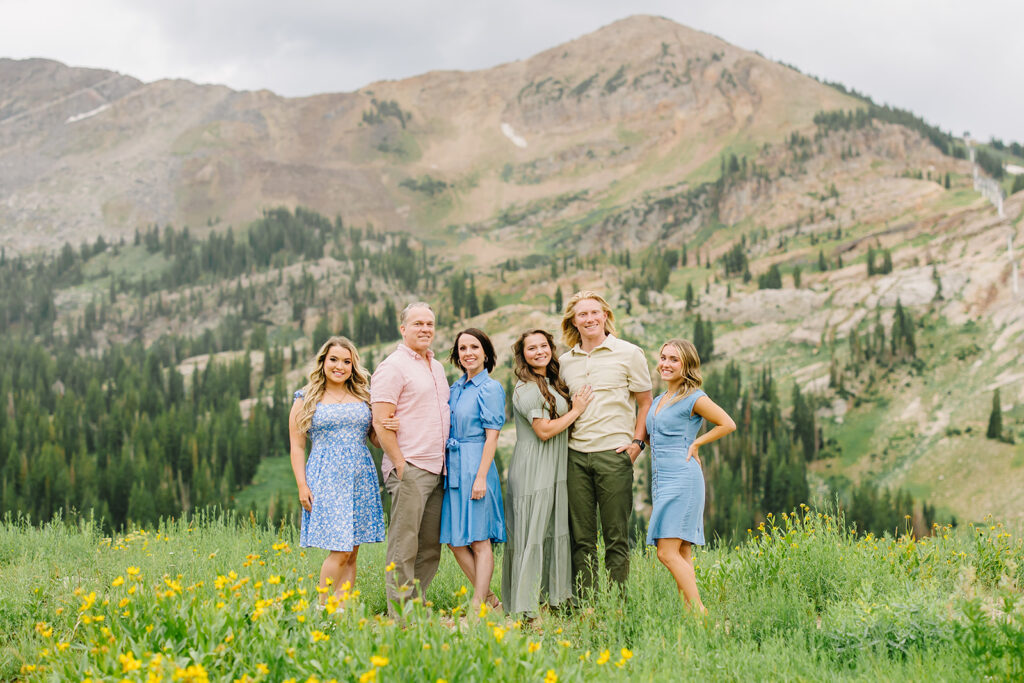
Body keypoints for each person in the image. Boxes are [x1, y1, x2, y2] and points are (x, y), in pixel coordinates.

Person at [558, 290, 652, 597]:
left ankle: (617, 607)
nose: (589, 319)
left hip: (614, 456)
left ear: (605, 316)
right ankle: (586, 604)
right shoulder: (564, 361)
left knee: (616, 537)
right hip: (574, 457)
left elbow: (645, 401)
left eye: (594, 313)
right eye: (582, 314)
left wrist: (638, 443)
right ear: (573, 321)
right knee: (581, 539)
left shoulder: (629, 353)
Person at [288, 336, 389, 602]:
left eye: (347, 361)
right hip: (326, 476)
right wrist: (302, 485)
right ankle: (323, 609)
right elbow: (297, 447)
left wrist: (388, 427)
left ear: (353, 366)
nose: (340, 366)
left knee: (352, 551)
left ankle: (341, 610)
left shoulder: (363, 395)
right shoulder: (305, 397)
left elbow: (376, 440)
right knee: (340, 549)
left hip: (360, 475)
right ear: (323, 362)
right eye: (334, 360)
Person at [502, 329, 593, 619]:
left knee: (552, 532)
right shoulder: (527, 388)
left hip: (553, 467)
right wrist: (577, 410)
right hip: (534, 469)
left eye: (544, 346)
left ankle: (554, 599)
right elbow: (543, 431)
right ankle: (527, 611)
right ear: (523, 355)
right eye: (532, 348)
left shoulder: (550, 382)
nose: (539, 351)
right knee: (534, 535)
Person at [644, 339, 736, 612]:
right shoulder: (660, 400)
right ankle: (692, 616)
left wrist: (696, 443)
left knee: (666, 552)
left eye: (674, 359)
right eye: (663, 357)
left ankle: (700, 613)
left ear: (687, 365)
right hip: (662, 480)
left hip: (683, 479)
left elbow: (727, 423)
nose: (666, 364)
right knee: (682, 551)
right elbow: (656, 438)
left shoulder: (694, 397)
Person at [371, 302, 450, 611]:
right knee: (404, 545)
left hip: (437, 467)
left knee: (429, 546)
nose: (425, 329)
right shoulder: (393, 366)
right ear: (403, 329)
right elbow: (380, 420)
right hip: (410, 467)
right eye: (417, 324)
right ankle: (400, 616)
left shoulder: (437, 367)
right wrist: (401, 465)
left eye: (429, 324)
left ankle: (415, 606)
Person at [439, 328, 507, 610]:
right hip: (454, 467)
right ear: (457, 355)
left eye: (474, 347)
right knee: (455, 541)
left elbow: (492, 435)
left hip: (476, 464)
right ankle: (490, 600)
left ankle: (478, 605)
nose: (468, 353)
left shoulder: (490, 388)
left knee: (479, 540)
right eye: (463, 348)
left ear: (486, 353)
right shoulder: (454, 388)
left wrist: (481, 477)